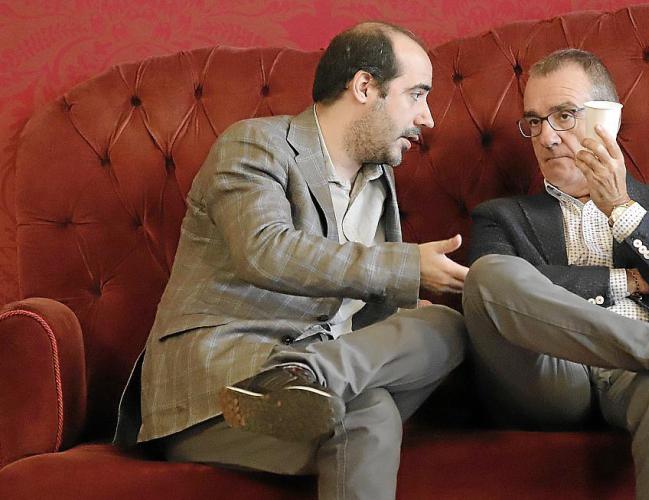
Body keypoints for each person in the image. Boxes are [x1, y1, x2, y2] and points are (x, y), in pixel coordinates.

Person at [113, 22, 468, 500]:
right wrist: (405, 267)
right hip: (221, 389)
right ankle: (292, 379)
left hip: (318, 381)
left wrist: (406, 318)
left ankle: (309, 374)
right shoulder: (255, 145)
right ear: (365, 87)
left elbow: (352, 308)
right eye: (417, 95)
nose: (428, 118)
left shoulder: (378, 179)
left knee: (446, 327)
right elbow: (265, 250)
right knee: (370, 411)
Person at [463, 48, 649, 500]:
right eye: (534, 121)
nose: (546, 138)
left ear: (610, 120)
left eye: (564, 116)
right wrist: (636, 280)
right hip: (546, 376)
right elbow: (502, 298)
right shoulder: (500, 217)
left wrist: (623, 211)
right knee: (488, 275)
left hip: (647, 378)